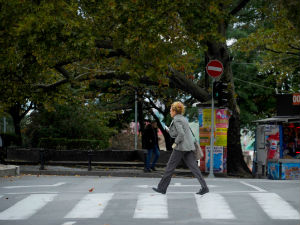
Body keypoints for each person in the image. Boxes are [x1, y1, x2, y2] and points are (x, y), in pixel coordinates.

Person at [152, 101, 209, 195]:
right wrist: (169, 131)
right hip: (188, 147)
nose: (170, 111)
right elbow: (178, 133)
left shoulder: (176, 120)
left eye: (171, 110)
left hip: (180, 147)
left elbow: (181, 134)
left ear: (174, 111)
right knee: (194, 168)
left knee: (170, 167)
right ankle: (204, 187)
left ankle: (162, 188)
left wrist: (175, 143)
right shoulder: (183, 119)